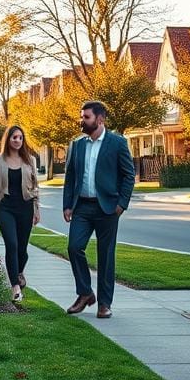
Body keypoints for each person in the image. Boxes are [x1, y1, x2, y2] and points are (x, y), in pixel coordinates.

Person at [62, 100, 135, 319]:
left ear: (100, 120)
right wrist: (67, 204)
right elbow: (71, 176)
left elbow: (129, 175)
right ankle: (85, 293)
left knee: (106, 256)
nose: (81, 120)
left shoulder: (117, 143)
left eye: (86, 117)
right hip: (82, 207)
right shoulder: (77, 144)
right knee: (74, 247)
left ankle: (104, 304)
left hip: (108, 209)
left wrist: (121, 204)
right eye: (81, 116)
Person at [0, 125, 41, 302]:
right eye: (14, 137)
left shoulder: (30, 160)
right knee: (12, 244)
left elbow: (35, 187)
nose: (17, 140)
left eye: (20, 137)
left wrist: (36, 209)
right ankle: (15, 288)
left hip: (25, 207)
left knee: (22, 250)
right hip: (6, 208)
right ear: (8, 140)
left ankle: (18, 272)